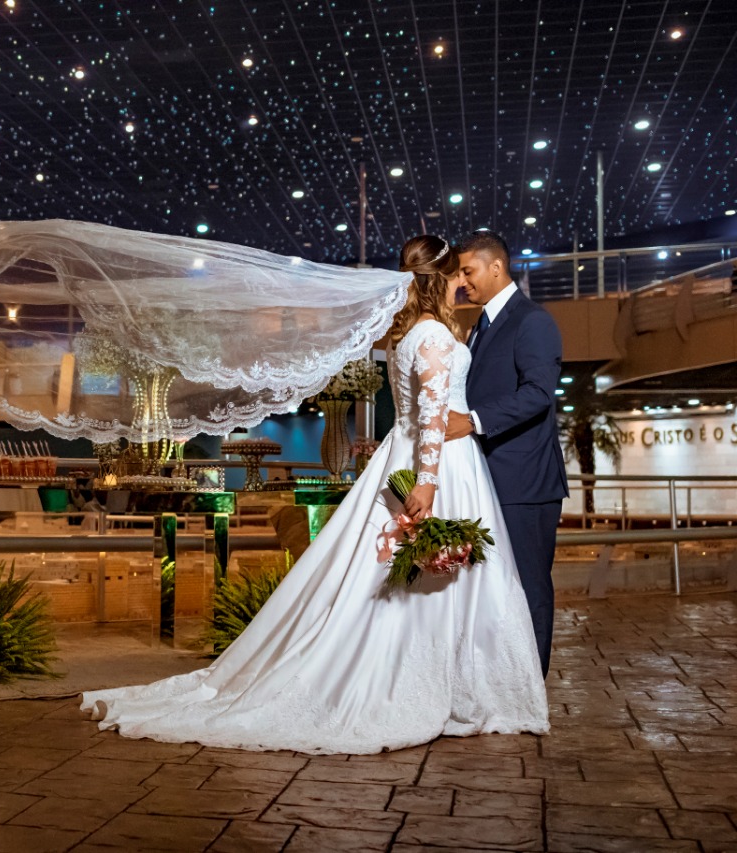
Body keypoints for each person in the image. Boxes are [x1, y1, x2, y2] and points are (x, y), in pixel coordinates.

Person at [80, 235, 549, 754]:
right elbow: (434, 419)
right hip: (437, 464)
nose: (465, 281)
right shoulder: (435, 336)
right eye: (457, 274)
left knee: (407, 576)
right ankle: (450, 688)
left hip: (410, 453)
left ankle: (451, 682)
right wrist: (428, 481)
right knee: (438, 576)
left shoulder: (405, 336)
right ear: (439, 279)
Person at [446, 230, 567, 676]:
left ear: (496, 267)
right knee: (495, 588)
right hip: (487, 478)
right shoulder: (479, 325)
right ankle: (502, 681)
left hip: (525, 481)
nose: (461, 281)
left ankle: (531, 683)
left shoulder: (532, 321)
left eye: (467, 270)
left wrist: (472, 421)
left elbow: (538, 393)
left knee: (529, 585)